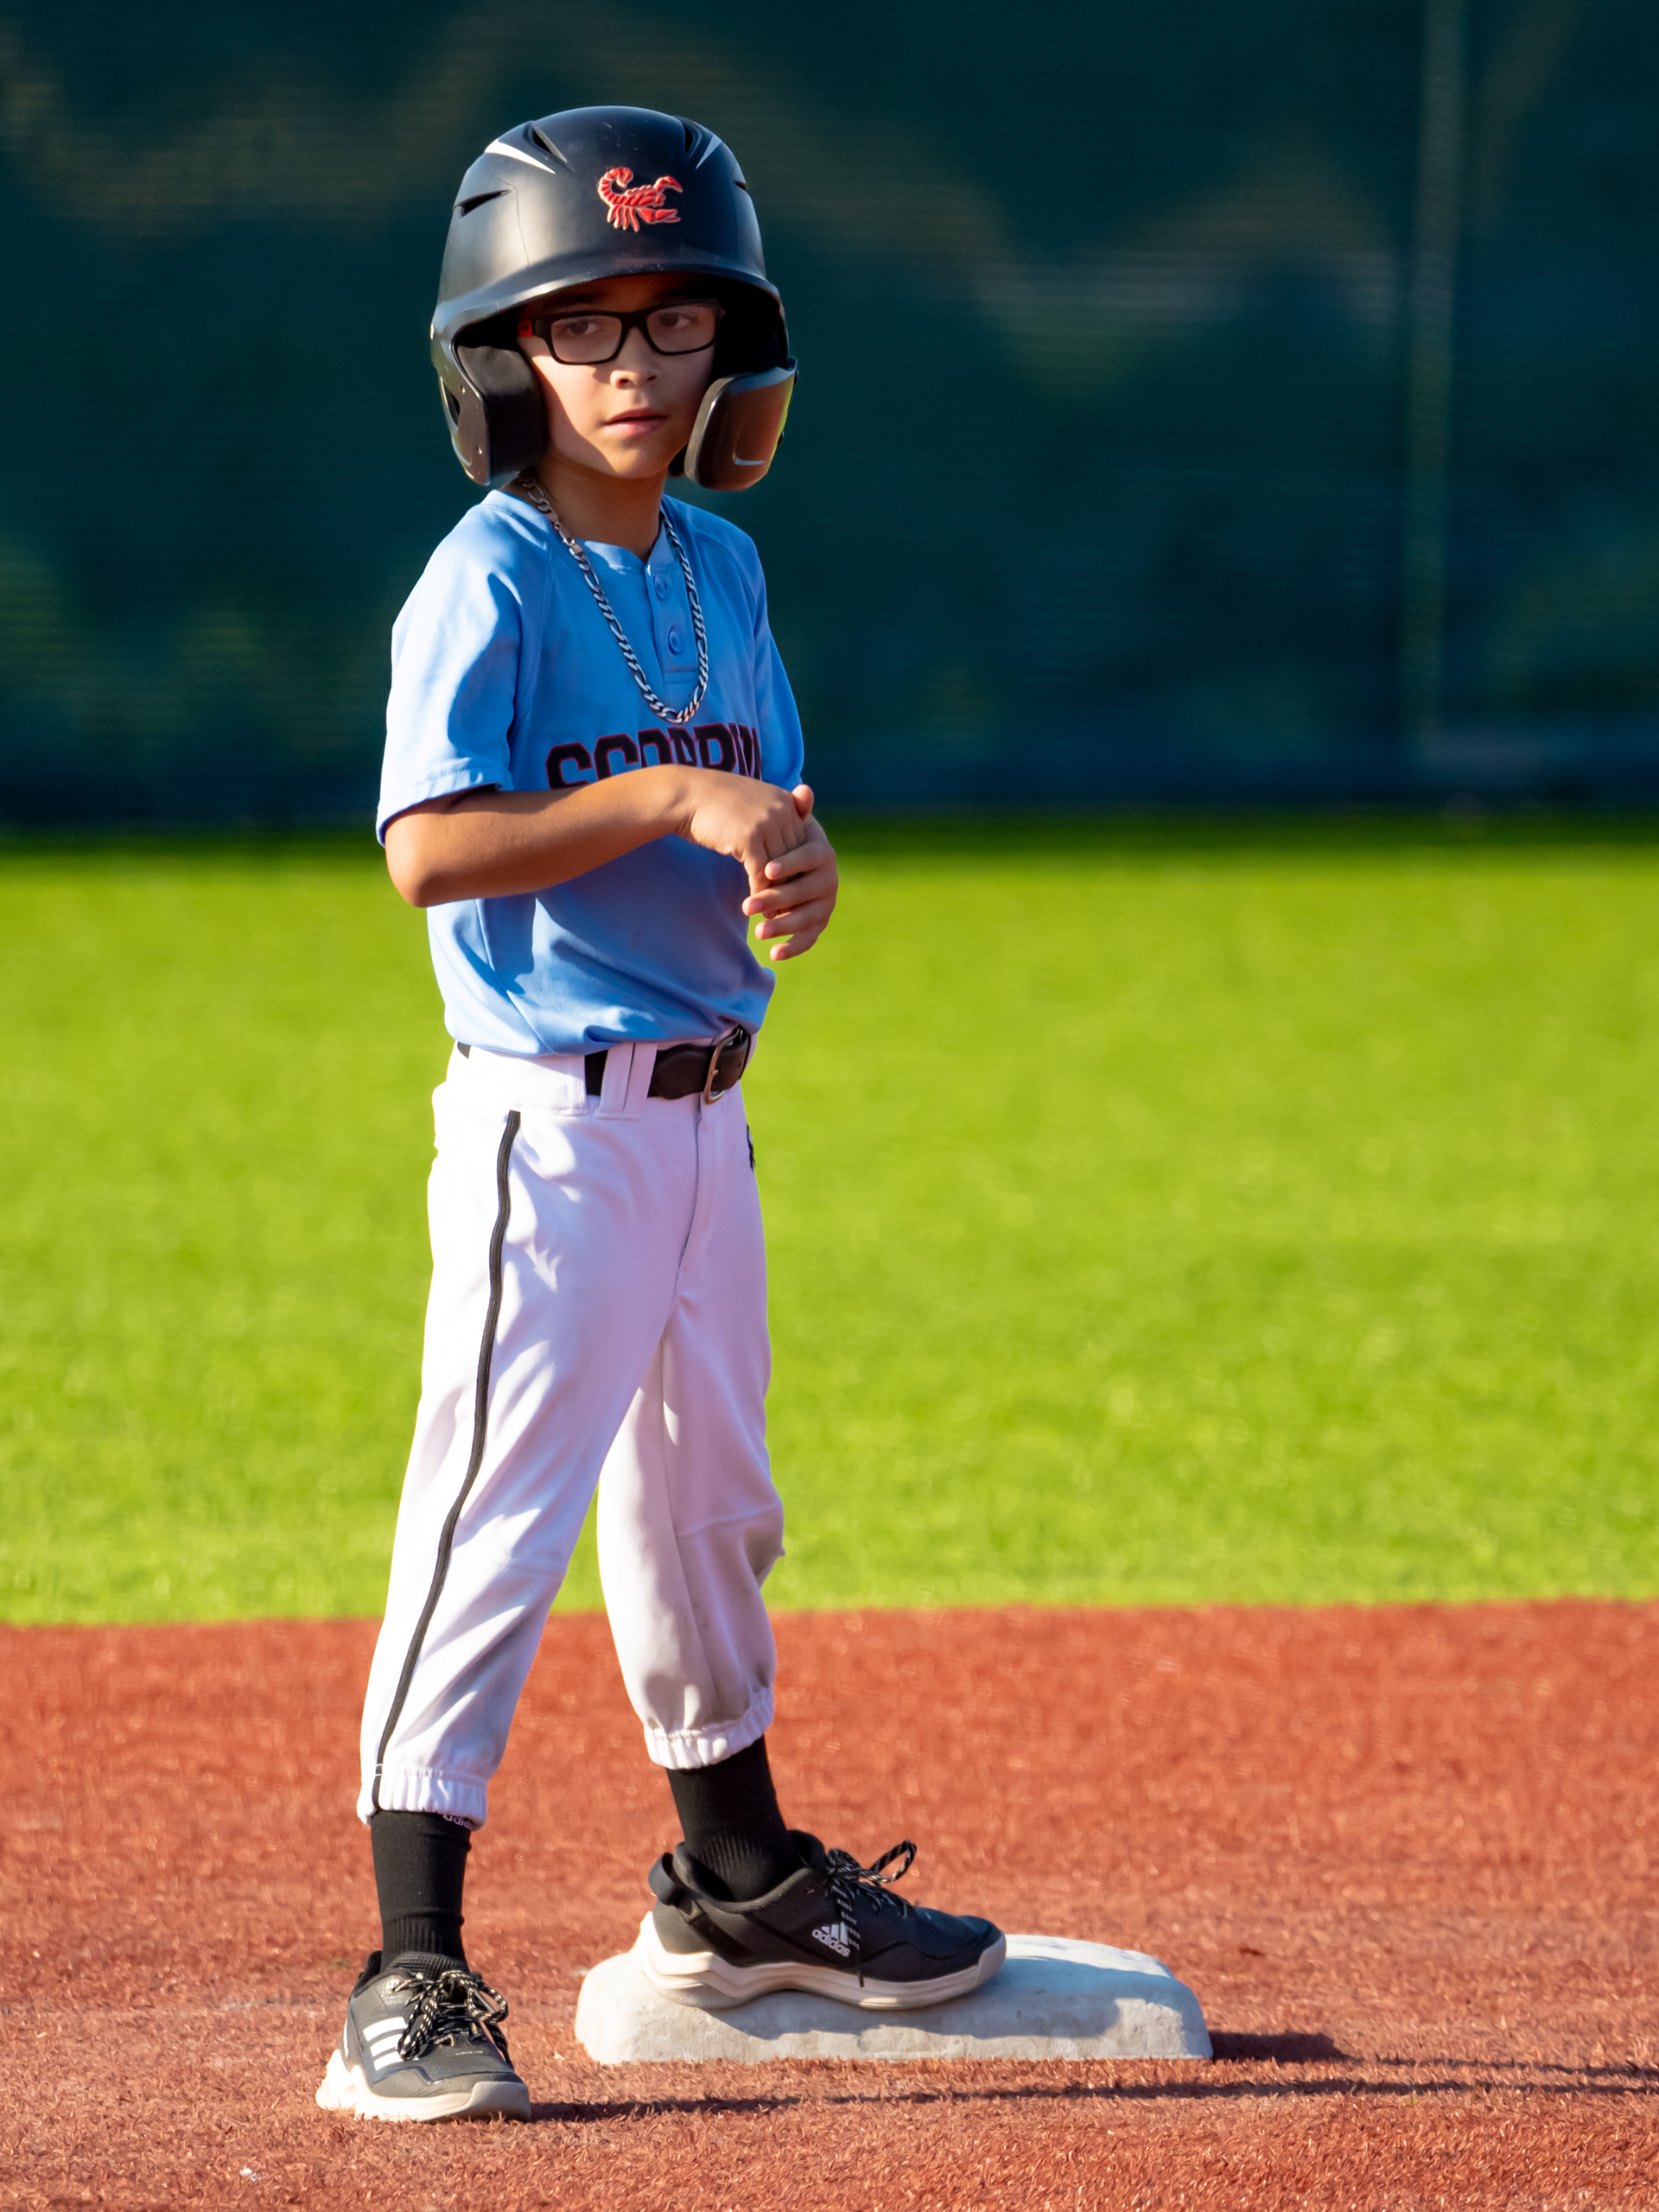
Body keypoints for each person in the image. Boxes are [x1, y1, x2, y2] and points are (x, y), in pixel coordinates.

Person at [315, 105, 1005, 2126]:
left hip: (709, 1121)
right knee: (491, 1525)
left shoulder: (721, 564)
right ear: (503, 354)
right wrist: (672, 799)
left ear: (735, 349)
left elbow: (759, 800)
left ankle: (739, 1884)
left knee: (708, 1511)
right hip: (552, 1133)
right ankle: (406, 1963)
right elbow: (429, 847)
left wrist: (790, 861)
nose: (633, 365)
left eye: (674, 320)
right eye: (584, 323)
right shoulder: (487, 577)